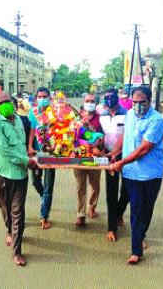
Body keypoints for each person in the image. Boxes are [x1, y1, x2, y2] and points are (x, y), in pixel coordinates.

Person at [111, 86, 163, 264]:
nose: (137, 106)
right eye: (134, 102)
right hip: (131, 174)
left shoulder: (157, 121)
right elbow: (125, 134)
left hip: (151, 174)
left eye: (141, 102)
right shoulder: (129, 115)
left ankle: (140, 235)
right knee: (136, 208)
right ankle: (136, 250)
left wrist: (121, 162)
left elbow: (143, 149)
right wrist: (114, 152)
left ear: (149, 101)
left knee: (146, 209)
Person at [0, 92, 38, 266]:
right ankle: (9, 230)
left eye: (6, 101)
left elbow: (22, 145)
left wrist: (30, 157)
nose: (4, 104)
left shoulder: (18, 120)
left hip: (20, 174)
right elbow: (4, 150)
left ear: (13, 102)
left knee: (18, 211)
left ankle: (17, 251)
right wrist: (27, 161)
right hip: (2, 175)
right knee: (5, 208)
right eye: (0, 102)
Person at [99, 88, 129, 241]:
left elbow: (128, 136)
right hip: (109, 157)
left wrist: (117, 152)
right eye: (106, 97)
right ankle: (112, 227)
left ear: (117, 98)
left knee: (127, 190)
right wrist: (103, 150)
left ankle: (119, 212)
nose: (109, 100)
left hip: (126, 156)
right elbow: (101, 136)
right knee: (111, 192)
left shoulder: (127, 114)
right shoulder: (102, 116)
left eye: (112, 97)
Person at [28, 87, 56, 229]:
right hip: (37, 153)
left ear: (49, 98)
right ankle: (45, 199)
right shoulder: (33, 112)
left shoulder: (55, 112)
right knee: (35, 181)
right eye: (39, 96)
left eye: (45, 96)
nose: (42, 98)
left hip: (51, 153)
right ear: (36, 98)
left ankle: (44, 216)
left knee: (48, 187)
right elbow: (32, 130)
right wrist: (29, 147)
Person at [74, 93, 102, 227]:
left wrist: (98, 147)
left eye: (92, 101)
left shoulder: (101, 119)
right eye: (87, 101)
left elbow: (103, 137)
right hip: (79, 158)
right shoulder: (75, 120)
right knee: (81, 186)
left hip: (95, 158)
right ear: (83, 103)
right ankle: (81, 214)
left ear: (96, 103)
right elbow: (70, 139)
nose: (90, 102)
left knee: (95, 185)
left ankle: (92, 207)